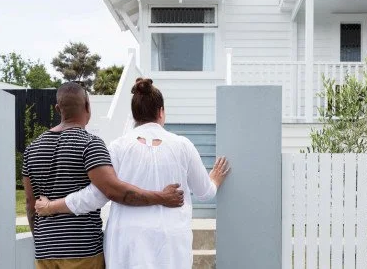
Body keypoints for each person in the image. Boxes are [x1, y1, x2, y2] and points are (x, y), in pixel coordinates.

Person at [35, 78, 231, 269]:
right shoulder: (183, 146)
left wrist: (52, 206)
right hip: (170, 243)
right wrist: (214, 179)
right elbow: (205, 192)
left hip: (127, 243)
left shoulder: (118, 147)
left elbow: (96, 195)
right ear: (161, 112)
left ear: (134, 115)